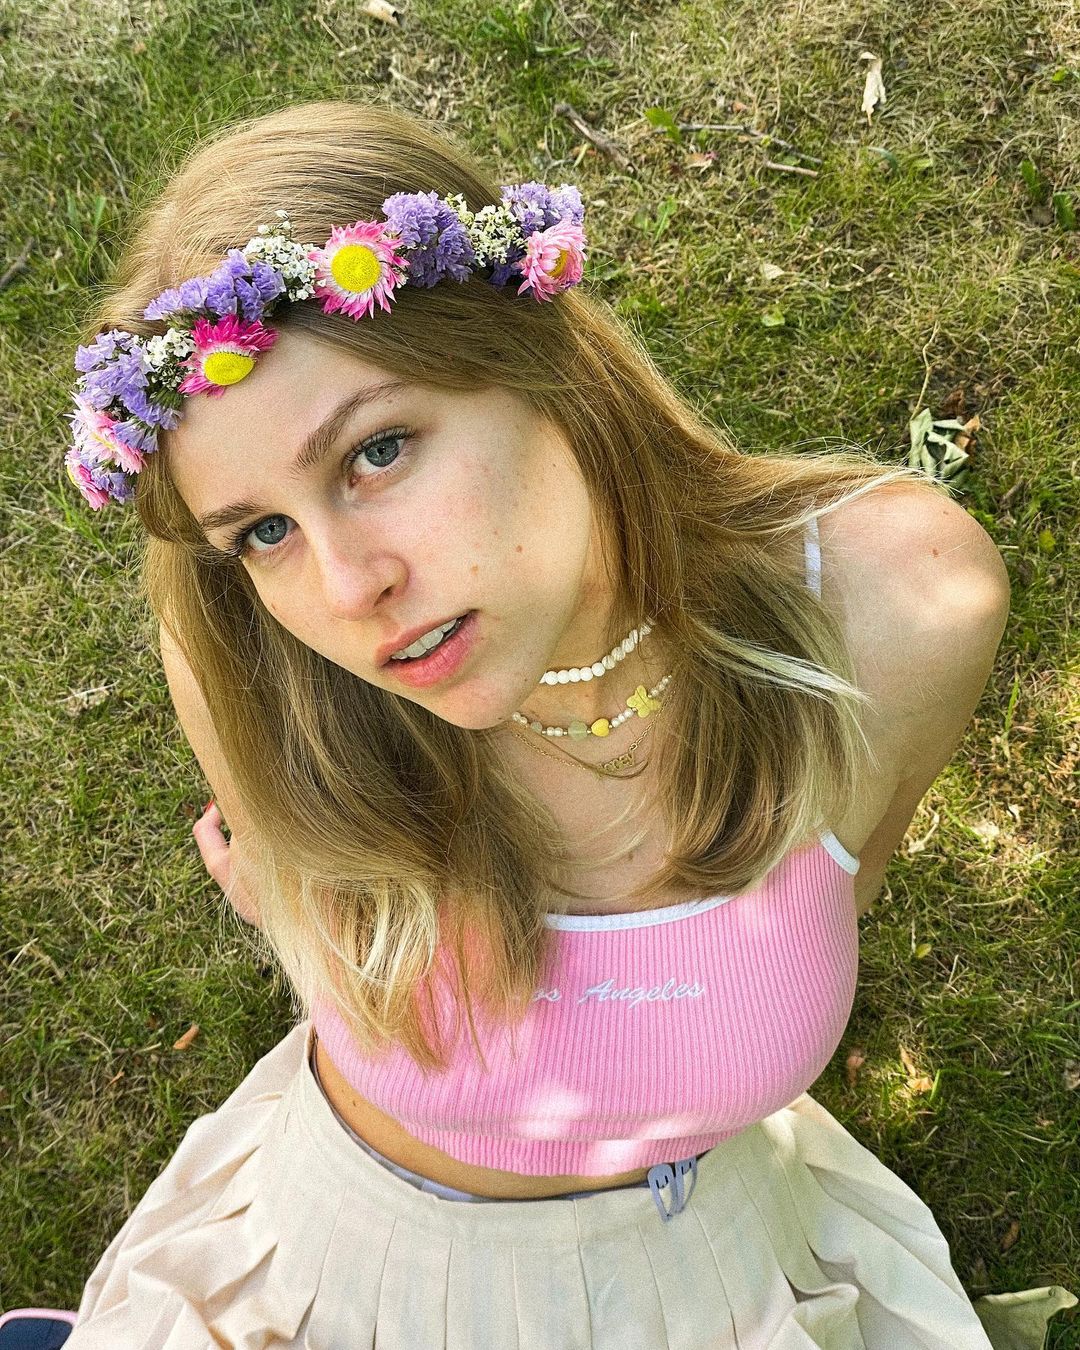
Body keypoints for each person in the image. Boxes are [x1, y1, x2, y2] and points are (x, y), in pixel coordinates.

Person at [56, 99, 1074, 1348]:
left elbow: (835, 890)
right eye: (264, 530)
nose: (347, 589)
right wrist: (303, 896)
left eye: (377, 451)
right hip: (344, 1275)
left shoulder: (900, 606)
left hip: (721, 1268)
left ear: (543, 362)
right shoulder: (260, 668)